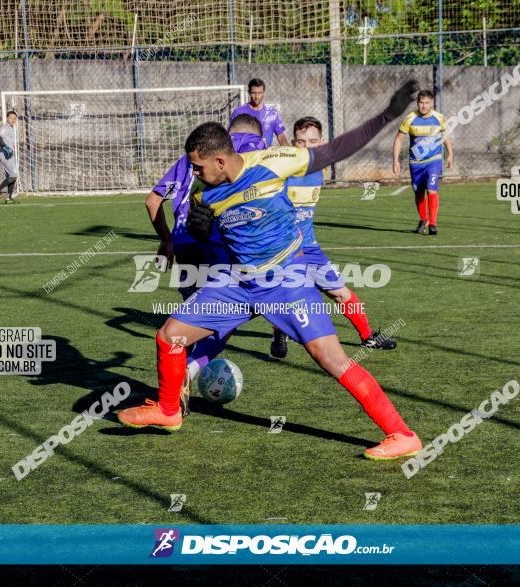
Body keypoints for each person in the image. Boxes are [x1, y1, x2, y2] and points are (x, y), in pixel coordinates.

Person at [117, 81, 424, 460]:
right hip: (238, 283)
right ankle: (168, 410)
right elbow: (217, 236)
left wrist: (388, 115)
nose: (193, 175)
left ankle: (402, 434)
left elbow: (336, 150)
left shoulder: (275, 162)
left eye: (197, 167)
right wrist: (198, 228)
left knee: (332, 359)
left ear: (219, 161)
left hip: (286, 280)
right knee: (169, 336)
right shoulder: (202, 194)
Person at [144, 113, 267, 415]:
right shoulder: (249, 154)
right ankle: (189, 370)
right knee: (225, 321)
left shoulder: (190, 159)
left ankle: (172, 393)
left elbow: (152, 201)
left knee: (187, 321)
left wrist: (166, 239)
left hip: (184, 246)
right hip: (217, 248)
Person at [270, 116, 397, 359]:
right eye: (300, 141)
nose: (306, 147)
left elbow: (349, 143)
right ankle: (279, 332)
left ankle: (368, 337)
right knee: (284, 296)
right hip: (282, 250)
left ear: (321, 143)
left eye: (312, 141)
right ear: (292, 143)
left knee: (339, 291)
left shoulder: (319, 167)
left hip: (310, 247)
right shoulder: (281, 171)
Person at [392, 90, 453, 235]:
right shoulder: (410, 119)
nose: (424, 106)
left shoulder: (439, 118)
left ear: (431, 102)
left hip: (434, 160)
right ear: (417, 103)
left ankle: (433, 224)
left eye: (427, 103)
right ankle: (423, 219)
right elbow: (398, 139)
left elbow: (445, 137)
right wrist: (395, 161)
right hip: (416, 162)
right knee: (419, 192)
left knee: (431, 189)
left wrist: (450, 154)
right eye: (421, 103)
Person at [229, 78, 289, 148]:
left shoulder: (271, 112)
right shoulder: (238, 112)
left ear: (264, 93)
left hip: (266, 155)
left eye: (260, 93)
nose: (257, 97)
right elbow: (231, 136)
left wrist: (290, 154)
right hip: (247, 155)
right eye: (254, 93)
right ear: (249, 92)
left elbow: (281, 136)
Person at [0, 110, 19, 204]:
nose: (13, 120)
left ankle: (9, 198)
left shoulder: (11, 128)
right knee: (14, 175)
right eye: (11, 118)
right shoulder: (5, 127)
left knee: (11, 176)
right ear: (7, 118)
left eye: (14, 118)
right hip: (6, 155)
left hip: (10, 155)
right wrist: (5, 147)